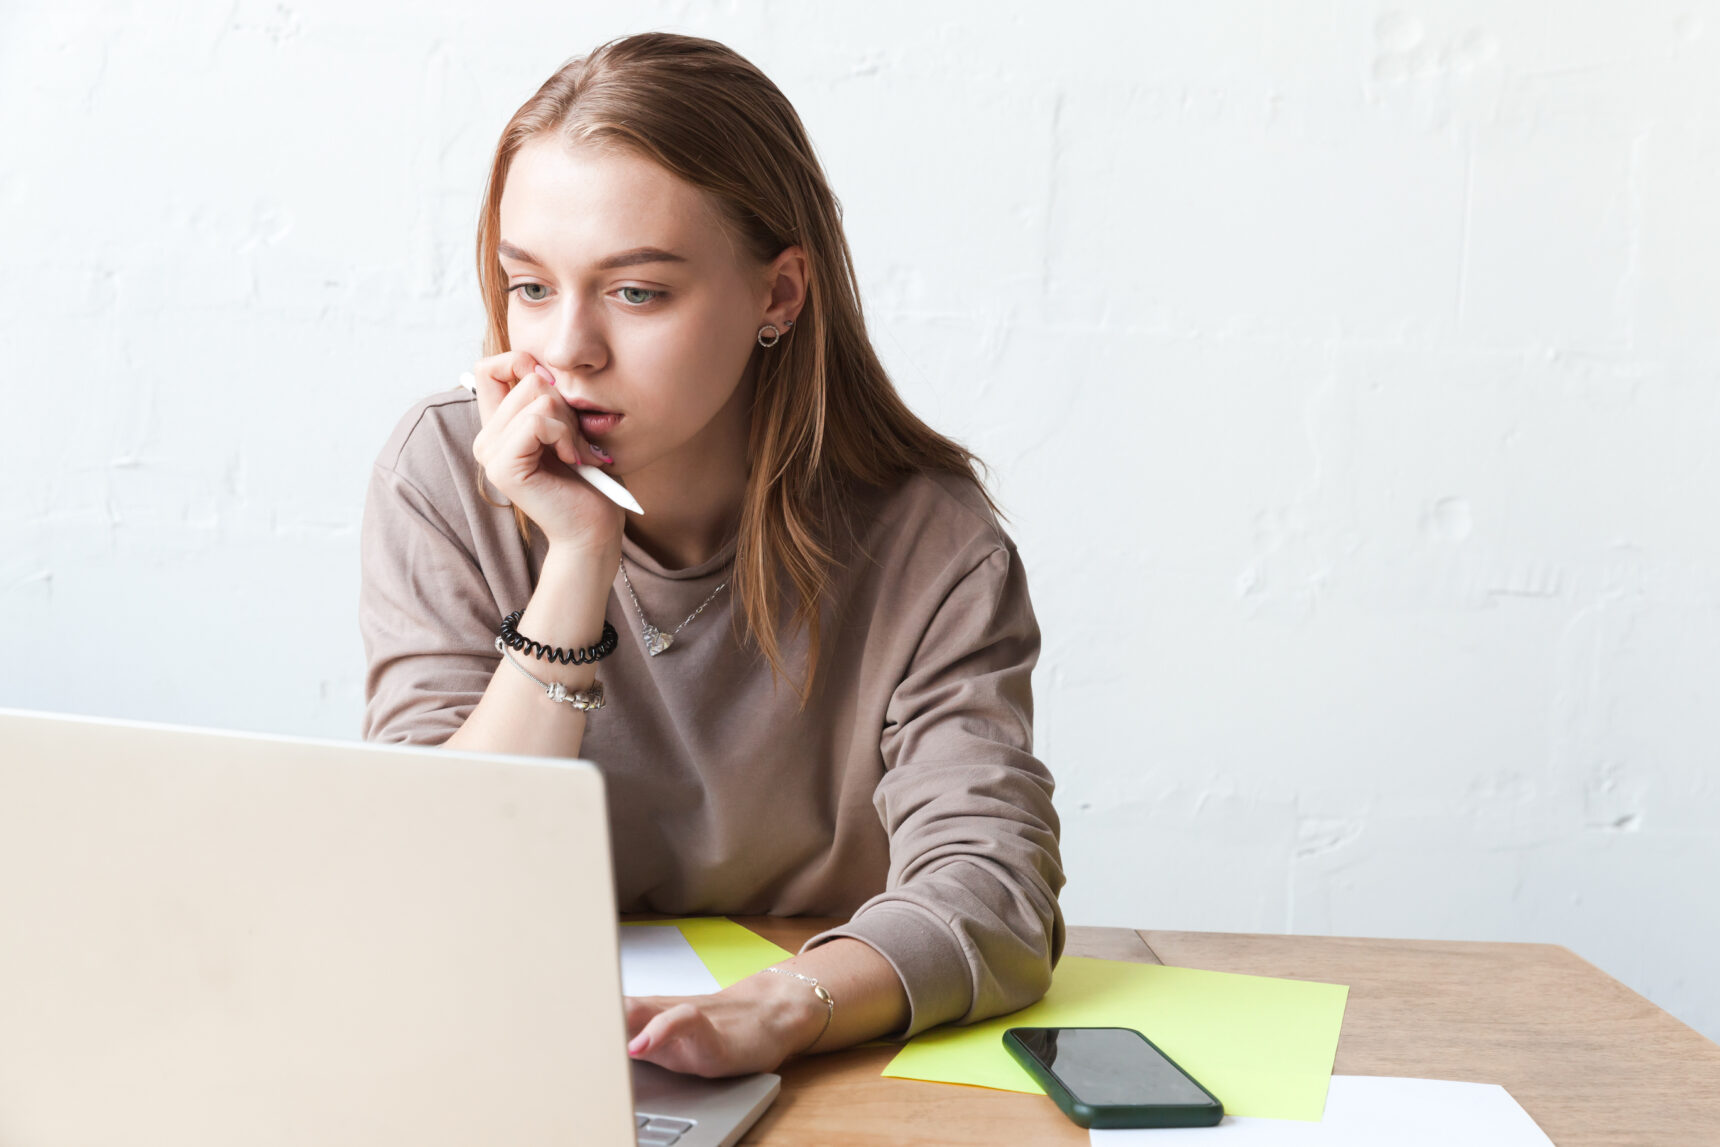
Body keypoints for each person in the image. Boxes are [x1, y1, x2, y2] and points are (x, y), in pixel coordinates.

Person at [358, 31, 1063, 1079]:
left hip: (822, 1061)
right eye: (530, 287)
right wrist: (578, 556)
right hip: (509, 1045)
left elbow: (993, 885)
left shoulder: (931, 541)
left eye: (636, 292)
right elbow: (428, 872)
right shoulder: (446, 470)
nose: (565, 351)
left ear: (779, 295)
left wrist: (782, 1009)